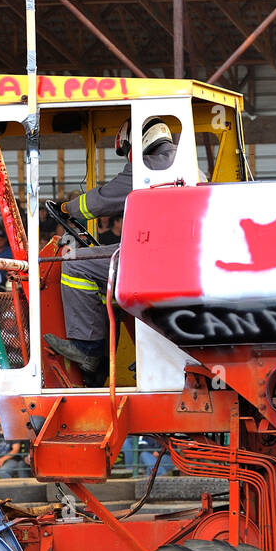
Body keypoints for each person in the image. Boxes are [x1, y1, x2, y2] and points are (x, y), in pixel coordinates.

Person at [47, 117, 179, 378]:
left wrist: (67, 208)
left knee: (75, 263)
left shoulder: (151, 166)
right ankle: (141, 350)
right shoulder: (182, 164)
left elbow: (101, 201)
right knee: (103, 269)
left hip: (153, 259)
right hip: (172, 256)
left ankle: (88, 349)